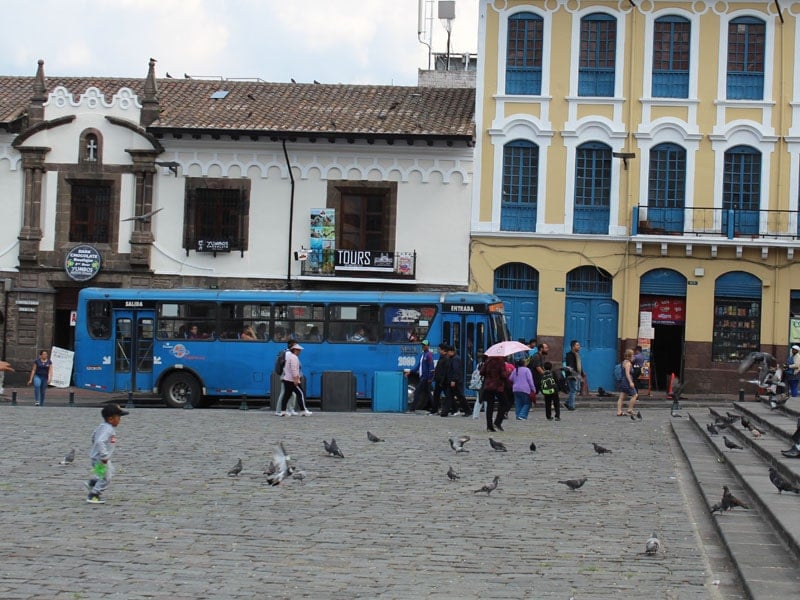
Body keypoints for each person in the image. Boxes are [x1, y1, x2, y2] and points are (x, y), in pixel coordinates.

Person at [85, 403, 129, 504]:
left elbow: (93, 436)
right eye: (118, 417)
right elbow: (100, 441)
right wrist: (104, 455)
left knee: (106, 472)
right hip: (101, 459)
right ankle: (94, 494)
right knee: (106, 478)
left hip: (97, 457)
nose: (120, 420)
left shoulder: (102, 426)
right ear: (110, 419)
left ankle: (92, 482)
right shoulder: (108, 429)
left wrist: (96, 449)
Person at [280, 342, 311, 416]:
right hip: (292, 380)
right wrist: (296, 379)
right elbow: (294, 369)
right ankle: (303, 410)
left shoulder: (289, 357)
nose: (300, 351)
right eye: (299, 350)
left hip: (287, 379)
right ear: (295, 350)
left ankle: (283, 411)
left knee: (286, 396)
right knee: (301, 394)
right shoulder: (294, 357)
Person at [480, 354, 508, 432]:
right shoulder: (500, 361)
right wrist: (507, 372)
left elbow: (481, 372)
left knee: (490, 405)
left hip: (488, 386)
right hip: (498, 386)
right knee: (504, 403)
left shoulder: (488, 360)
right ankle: (497, 422)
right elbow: (503, 375)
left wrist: (489, 375)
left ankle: (489, 426)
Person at [405, 339, 434, 412]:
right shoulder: (422, 355)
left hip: (425, 378)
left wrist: (430, 378)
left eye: (424, 345)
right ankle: (435, 408)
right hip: (423, 377)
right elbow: (418, 366)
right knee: (428, 393)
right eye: (422, 345)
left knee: (417, 391)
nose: (423, 346)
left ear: (428, 346)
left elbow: (431, 368)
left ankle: (412, 409)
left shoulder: (429, 355)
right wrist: (410, 372)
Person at [442, 345, 470, 417]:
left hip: (456, 382)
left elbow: (456, 370)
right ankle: (444, 412)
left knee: (460, 396)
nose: (447, 353)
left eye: (448, 352)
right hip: (452, 381)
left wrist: (453, 380)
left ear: (452, 351)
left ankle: (468, 410)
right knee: (449, 397)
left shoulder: (455, 359)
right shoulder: (452, 358)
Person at [616, 348, 639, 417]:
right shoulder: (628, 363)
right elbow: (627, 374)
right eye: (633, 355)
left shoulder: (624, 362)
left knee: (621, 397)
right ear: (630, 356)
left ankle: (619, 411)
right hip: (626, 381)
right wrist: (630, 382)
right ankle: (630, 409)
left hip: (623, 381)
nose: (633, 356)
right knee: (635, 395)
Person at [564, 340, 584, 411]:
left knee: (576, 389)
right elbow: (570, 366)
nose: (579, 346)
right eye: (577, 345)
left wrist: (582, 373)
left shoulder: (577, 354)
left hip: (577, 375)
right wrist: (573, 374)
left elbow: (579, 365)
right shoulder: (570, 355)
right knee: (573, 390)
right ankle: (571, 406)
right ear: (573, 347)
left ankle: (567, 402)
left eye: (579, 345)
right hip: (572, 375)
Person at [430, 343, 450, 415]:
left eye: (439, 349)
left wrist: (442, 381)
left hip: (442, 381)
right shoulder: (442, 357)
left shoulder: (446, 359)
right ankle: (435, 410)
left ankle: (454, 409)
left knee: (447, 395)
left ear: (443, 350)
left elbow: (444, 371)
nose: (438, 350)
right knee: (436, 395)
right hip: (439, 380)